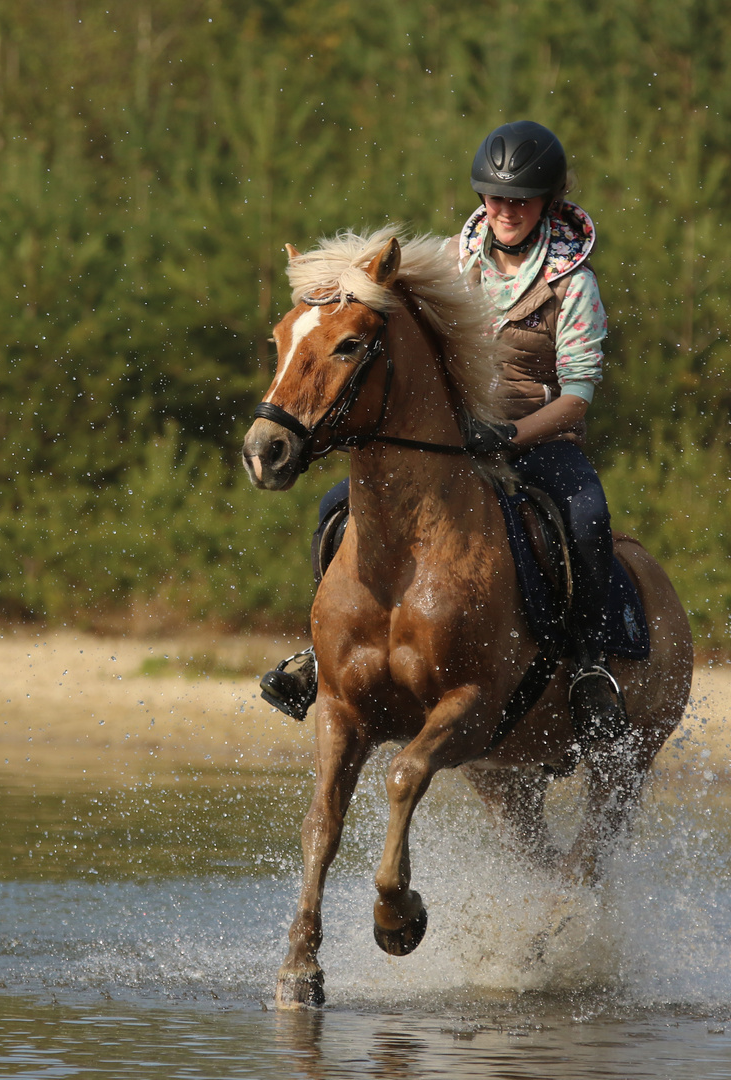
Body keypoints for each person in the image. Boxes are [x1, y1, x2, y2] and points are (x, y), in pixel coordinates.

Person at [260, 120, 627, 744]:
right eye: (496, 197)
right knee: (333, 509)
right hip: (450, 439)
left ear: (549, 202)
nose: (506, 211)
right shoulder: (455, 261)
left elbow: (577, 399)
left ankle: (592, 669)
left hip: (536, 438)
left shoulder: (574, 284)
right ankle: (322, 655)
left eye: (522, 199)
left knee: (586, 519)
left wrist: (508, 434)